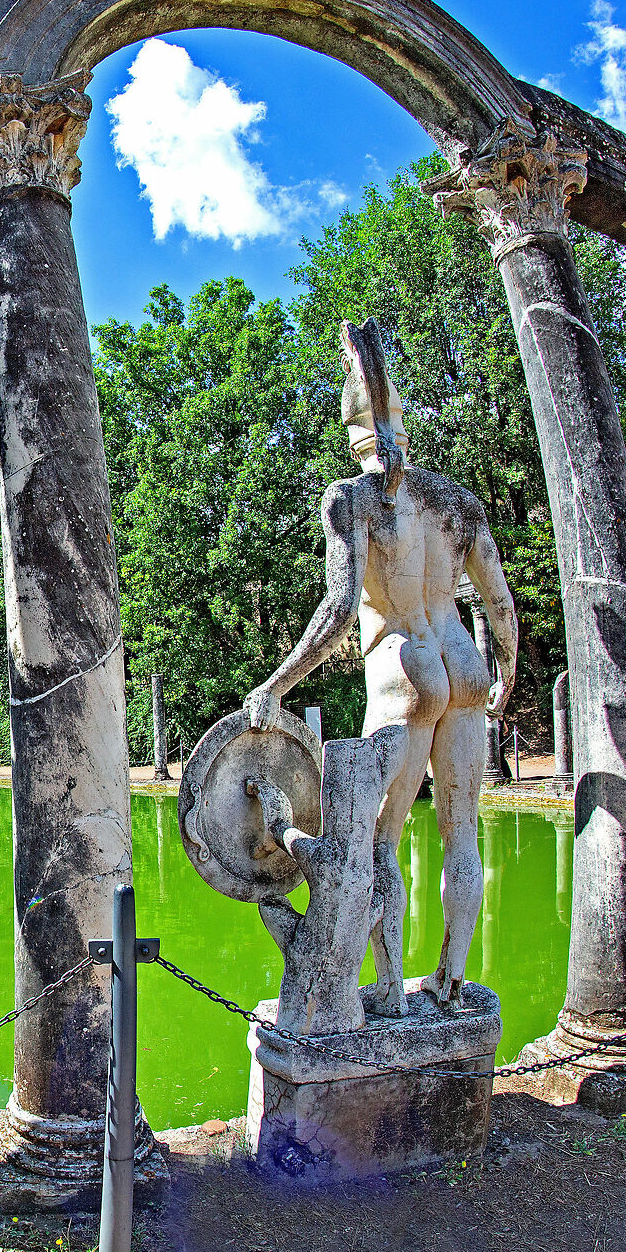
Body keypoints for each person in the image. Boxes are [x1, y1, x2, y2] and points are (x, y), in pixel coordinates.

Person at [243, 321, 518, 1013]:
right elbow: (500, 602)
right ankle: (451, 978)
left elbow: (339, 610)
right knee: (462, 833)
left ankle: (391, 990)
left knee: (377, 844)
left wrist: (276, 684)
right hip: (464, 662)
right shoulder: (457, 502)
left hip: (406, 667)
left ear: (351, 432)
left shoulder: (350, 499)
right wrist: (507, 670)